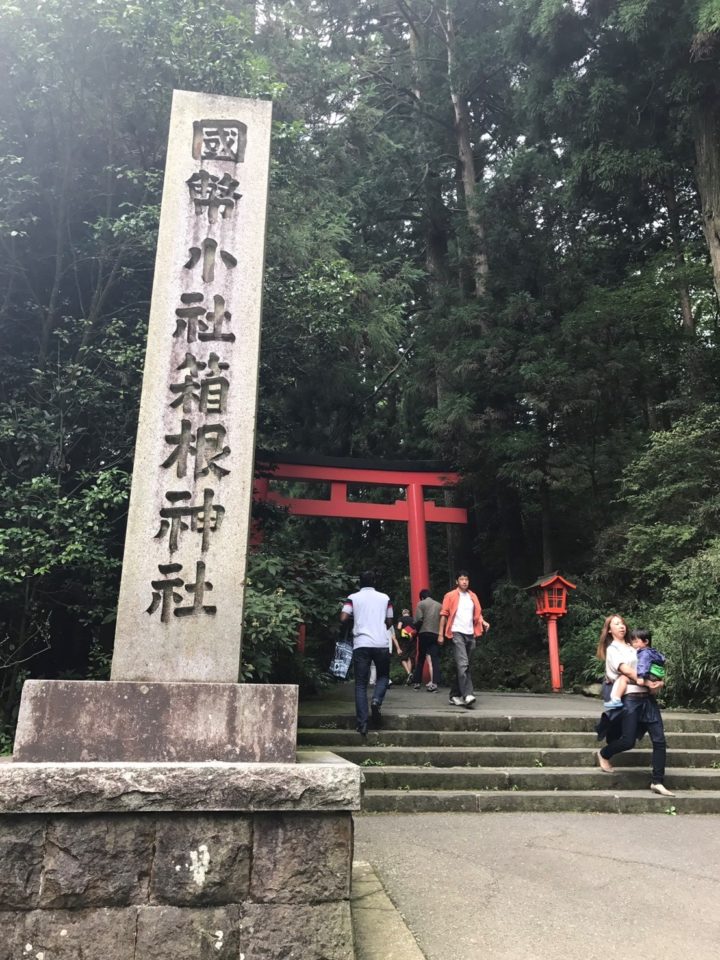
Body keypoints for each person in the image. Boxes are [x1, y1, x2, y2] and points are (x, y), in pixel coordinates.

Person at [595, 614, 675, 797]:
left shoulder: (636, 646)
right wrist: (646, 682)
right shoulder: (613, 649)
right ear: (609, 630)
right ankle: (605, 753)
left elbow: (653, 667)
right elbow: (627, 670)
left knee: (660, 740)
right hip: (630, 699)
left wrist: (658, 681)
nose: (621, 626)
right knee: (627, 741)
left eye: (622, 623)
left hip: (648, 699)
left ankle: (657, 781)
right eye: (616, 624)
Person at [340, 571, 394, 736]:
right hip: (381, 643)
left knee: (361, 685)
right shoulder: (385, 598)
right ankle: (377, 700)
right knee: (383, 676)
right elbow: (390, 620)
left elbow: (343, 617)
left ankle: (362, 724)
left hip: (361, 644)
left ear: (360, 582)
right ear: (374, 581)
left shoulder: (353, 598)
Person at [438, 570, 490, 708]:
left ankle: (454, 695)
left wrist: (483, 622)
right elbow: (444, 614)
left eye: (466, 579)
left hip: (470, 633)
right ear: (457, 581)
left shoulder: (472, 596)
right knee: (463, 664)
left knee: (464, 666)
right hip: (456, 632)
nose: (464, 582)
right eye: (461, 579)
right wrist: (440, 634)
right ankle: (468, 695)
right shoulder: (450, 596)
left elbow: (477, 614)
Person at [603, 628, 666, 710]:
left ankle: (616, 699)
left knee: (623, 678)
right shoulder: (651, 652)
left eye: (636, 642)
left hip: (648, 676)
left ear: (646, 642)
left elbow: (643, 665)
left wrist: (640, 677)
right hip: (655, 677)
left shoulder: (645, 653)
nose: (634, 644)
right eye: (633, 641)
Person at [412, 588, 442, 692]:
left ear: (422, 597)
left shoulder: (421, 604)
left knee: (421, 658)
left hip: (424, 633)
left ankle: (417, 682)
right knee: (435, 658)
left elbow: (419, 620)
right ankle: (435, 683)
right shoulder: (439, 605)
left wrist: (415, 632)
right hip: (435, 633)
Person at [396, 608, 416, 683]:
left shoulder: (401, 619)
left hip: (404, 640)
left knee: (403, 658)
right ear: (409, 613)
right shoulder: (413, 619)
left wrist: (406, 632)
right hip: (413, 640)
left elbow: (399, 627)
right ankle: (409, 677)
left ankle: (408, 673)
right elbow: (415, 629)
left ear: (402, 613)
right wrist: (410, 633)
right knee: (410, 658)